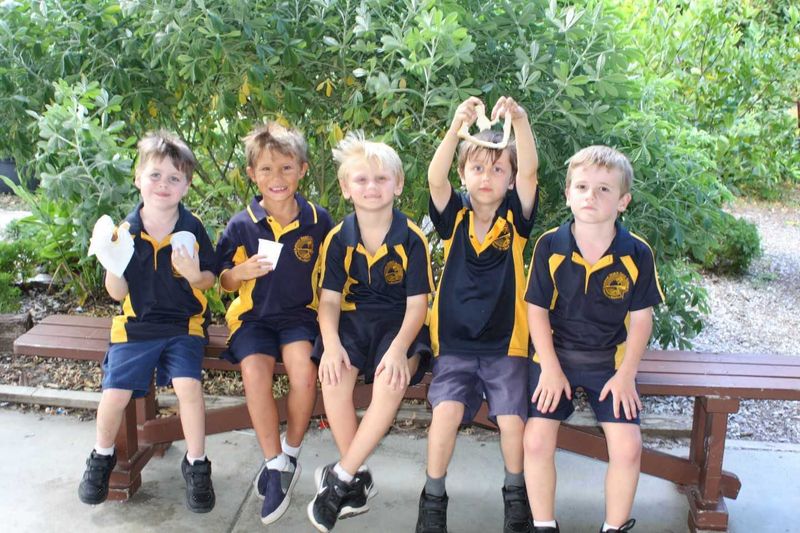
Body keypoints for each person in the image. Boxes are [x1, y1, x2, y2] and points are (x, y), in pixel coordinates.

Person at [523, 146, 664, 533]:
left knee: (628, 447)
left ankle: (613, 527)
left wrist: (626, 374)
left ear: (623, 201)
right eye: (582, 186)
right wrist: (549, 368)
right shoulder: (550, 245)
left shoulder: (636, 253)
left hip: (609, 363)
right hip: (556, 357)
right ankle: (543, 524)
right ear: (567, 194)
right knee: (535, 441)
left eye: (604, 189)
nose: (591, 196)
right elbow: (535, 310)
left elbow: (640, 320)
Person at [417, 96, 540, 533]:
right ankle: (433, 499)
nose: (487, 177)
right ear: (465, 175)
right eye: (477, 168)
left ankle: (515, 500)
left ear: (509, 180)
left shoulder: (516, 223)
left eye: (498, 169)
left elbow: (530, 170)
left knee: (511, 421)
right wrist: (456, 128)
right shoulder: (455, 220)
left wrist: (520, 122)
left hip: (506, 344)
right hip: (454, 344)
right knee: (445, 415)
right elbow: (434, 179)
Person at [78, 130, 217, 512]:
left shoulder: (193, 229)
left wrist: (192, 274)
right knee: (115, 393)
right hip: (136, 326)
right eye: (155, 175)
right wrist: (112, 263)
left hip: (182, 325)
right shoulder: (123, 233)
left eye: (174, 178)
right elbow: (118, 294)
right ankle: (101, 455)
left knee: (189, 387)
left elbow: (209, 279)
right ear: (138, 178)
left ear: (186, 186)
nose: (163, 184)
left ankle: (197, 463)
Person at [307, 132, 434, 533]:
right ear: (346, 188)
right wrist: (330, 346)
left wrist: (398, 351)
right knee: (333, 377)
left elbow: (419, 306)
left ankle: (341, 477)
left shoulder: (411, 239)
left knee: (391, 379)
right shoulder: (338, 237)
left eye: (381, 179)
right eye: (361, 180)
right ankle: (356, 477)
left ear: (397, 184)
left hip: (401, 323)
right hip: (354, 319)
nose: (372, 187)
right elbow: (328, 301)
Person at [215, 122, 332, 524]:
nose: (276, 178)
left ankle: (291, 454)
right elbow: (222, 281)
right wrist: (240, 271)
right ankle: (272, 463)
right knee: (255, 374)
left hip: (300, 314)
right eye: (265, 169)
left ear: (301, 168)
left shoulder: (320, 220)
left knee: (303, 373)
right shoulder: (241, 224)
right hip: (254, 318)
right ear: (251, 174)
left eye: (285, 168)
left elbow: (334, 276)